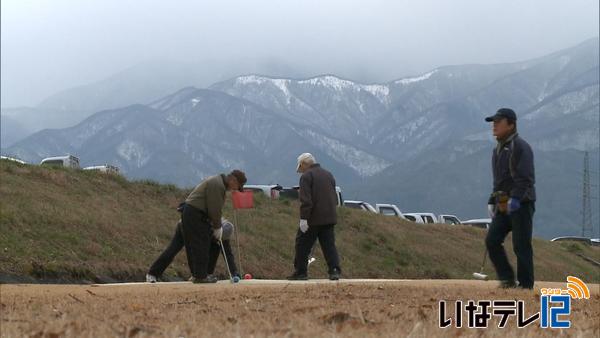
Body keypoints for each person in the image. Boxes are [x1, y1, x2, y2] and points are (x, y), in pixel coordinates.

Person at [484, 108, 536, 289]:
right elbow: (499, 181)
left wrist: (516, 198)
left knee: (521, 245)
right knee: (492, 240)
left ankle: (526, 285)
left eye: (499, 121)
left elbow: (526, 178)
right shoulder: (497, 150)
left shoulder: (520, 147)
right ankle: (507, 279)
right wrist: (492, 200)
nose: (494, 125)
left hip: (522, 203)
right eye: (493, 121)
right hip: (503, 203)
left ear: (511, 124)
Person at [182, 170, 247, 283]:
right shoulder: (217, 185)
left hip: (195, 213)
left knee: (202, 243)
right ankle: (201, 276)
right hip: (195, 213)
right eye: (237, 186)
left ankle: (199, 274)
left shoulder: (219, 183)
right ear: (233, 180)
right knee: (201, 244)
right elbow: (214, 209)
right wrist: (217, 227)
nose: (235, 189)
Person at [287, 153, 341, 281]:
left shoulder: (307, 176)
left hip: (313, 219)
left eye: (301, 166)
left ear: (305, 164)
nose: (301, 170)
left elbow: (306, 201)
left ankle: (301, 272)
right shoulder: (328, 174)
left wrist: (304, 219)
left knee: (302, 245)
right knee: (329, 246)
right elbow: (333, 197)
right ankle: (334, 270)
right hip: (329, 218)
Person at [145, 214, 238, 282]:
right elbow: (195, 251)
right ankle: (152, 274)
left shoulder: (224, 234)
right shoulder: (207, 228)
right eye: (219, 238)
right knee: (173, 249)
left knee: (216, 247)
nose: (221, 240)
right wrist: (197, 274)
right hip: (187, 226)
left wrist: (234, 273)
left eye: (222, 240)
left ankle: (206, 274)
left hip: (199, 227)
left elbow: (228, 254)